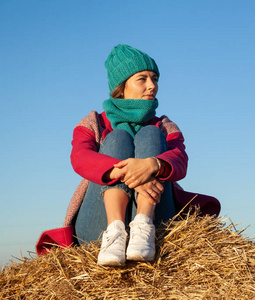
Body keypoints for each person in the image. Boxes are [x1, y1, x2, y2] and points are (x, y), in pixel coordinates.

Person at [63, 44, 220, 267]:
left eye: (154, 78)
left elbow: (180, 159)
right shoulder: (93, 122)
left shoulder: (164, 125)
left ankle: (143, 225)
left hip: (158, 219)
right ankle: (115, 232)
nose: (152, 86)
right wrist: (132, 173)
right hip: (97, 228)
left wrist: (153, 165)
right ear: (122, 85)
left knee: (150, 133)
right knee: (117, 139)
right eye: (142, 79)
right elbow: (80, 157)